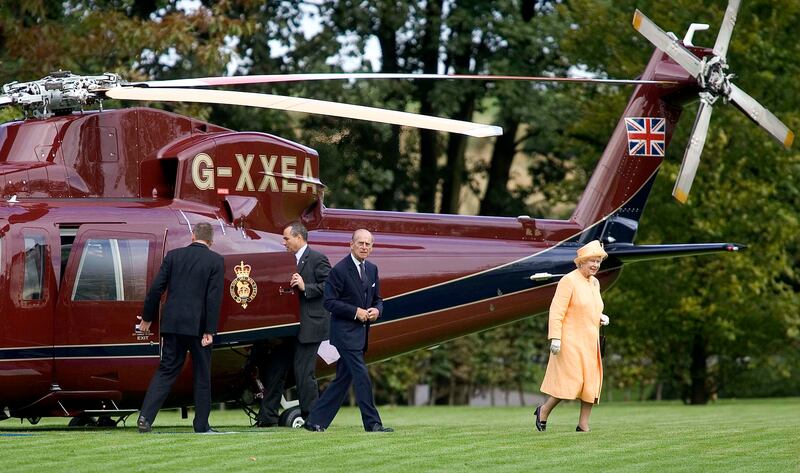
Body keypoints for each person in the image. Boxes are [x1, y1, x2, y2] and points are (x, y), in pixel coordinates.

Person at [136, 222, 225, 434]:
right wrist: (209, 331)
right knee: (202, 375)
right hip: (198, 327)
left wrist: (147, 319)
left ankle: (145, 417)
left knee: (166, 371)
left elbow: (156, 289)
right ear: (211, 241)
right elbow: (213, 299)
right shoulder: (216, 261)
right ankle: (201, 425)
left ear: (192, 236)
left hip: (172, 324)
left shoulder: (173, 256)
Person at [303, 229, 393, 433]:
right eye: (360, 243)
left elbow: (378, 299)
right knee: (362, 376)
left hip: (360, 336)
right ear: (351, 245)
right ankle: (373, 424)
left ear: (372, 247)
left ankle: (314, 421)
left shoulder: (372, 269)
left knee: (343, 380)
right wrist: (356, 312)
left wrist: (376, 311)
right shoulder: (339, 270)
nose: (364, 247)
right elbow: (329, 302)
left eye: (368, 244)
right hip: (344, 335)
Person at [255, 222, 331, 427]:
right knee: (276, 369)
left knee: (303, 373)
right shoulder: (285, 261)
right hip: (288, 328)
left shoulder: (317, 259)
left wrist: (306, 286)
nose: (284, 242)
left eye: (286, 238)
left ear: (299, 237)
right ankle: (267, 417)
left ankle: (314, 418)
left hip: (310, 326)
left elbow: (330, 286)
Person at [535, 240, 611, 433]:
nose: (595, 265)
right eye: (591, 261)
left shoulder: (595, 282)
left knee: (591, 383)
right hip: (570, 340)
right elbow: (556, 311)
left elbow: (591, 307)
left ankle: (583, 424)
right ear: (581, 262)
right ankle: (543, 411)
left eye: (598, 261)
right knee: (571, 381)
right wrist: (555, 338)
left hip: (590, 340)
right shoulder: (568, 280)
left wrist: (601, 316)